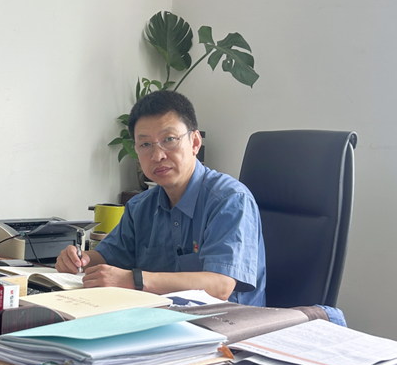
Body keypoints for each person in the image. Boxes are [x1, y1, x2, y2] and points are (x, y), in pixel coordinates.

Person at [56, 90, 266, 306]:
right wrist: (80, 260)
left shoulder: (229, 200)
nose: (157, 156)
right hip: (158, 317)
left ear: (195, 142)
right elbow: (109, 257)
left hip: (225, 321)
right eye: (145, 145)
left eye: (169, 140)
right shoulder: (140, 207)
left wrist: (135, 280)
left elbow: (221, 286)